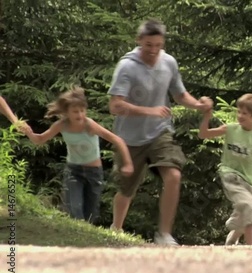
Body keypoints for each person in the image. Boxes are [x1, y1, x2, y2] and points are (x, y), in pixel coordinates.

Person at [107, 18, 213, 246]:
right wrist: (149, 110)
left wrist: (198, 105)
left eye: (158, 45)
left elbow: (180, 95)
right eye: (148, 45)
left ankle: (164, 235)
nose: (153, 50)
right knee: (126, 190)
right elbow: (115, 105)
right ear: (139, 41)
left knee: (174, 174)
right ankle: (115, 229)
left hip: (160, 132)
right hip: (130, 138)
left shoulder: (169, 63)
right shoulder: (127, 66)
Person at [24, 86, 134, 223]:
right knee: (74, 209)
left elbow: (117, 140)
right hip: (73, 171)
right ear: (66, 113)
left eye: (82, 111)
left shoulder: (90, 125)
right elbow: (40, 139)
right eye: (75, 112)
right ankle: (75, 236)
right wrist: (29, 132)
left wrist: (128, 163)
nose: (80, 115)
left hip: (94, 173)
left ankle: (85, 240)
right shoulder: (61, 125)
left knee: (90, 215)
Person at [198, 93, 252, 245]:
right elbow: (203, 134)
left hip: (251, 182)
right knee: (250, 209)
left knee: (246, 213)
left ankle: (233, 237)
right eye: (239, 112)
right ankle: (251, 249)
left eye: (245, 113)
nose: (240, 116)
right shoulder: (231, 129)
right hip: (231, 175)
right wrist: (206, 117)